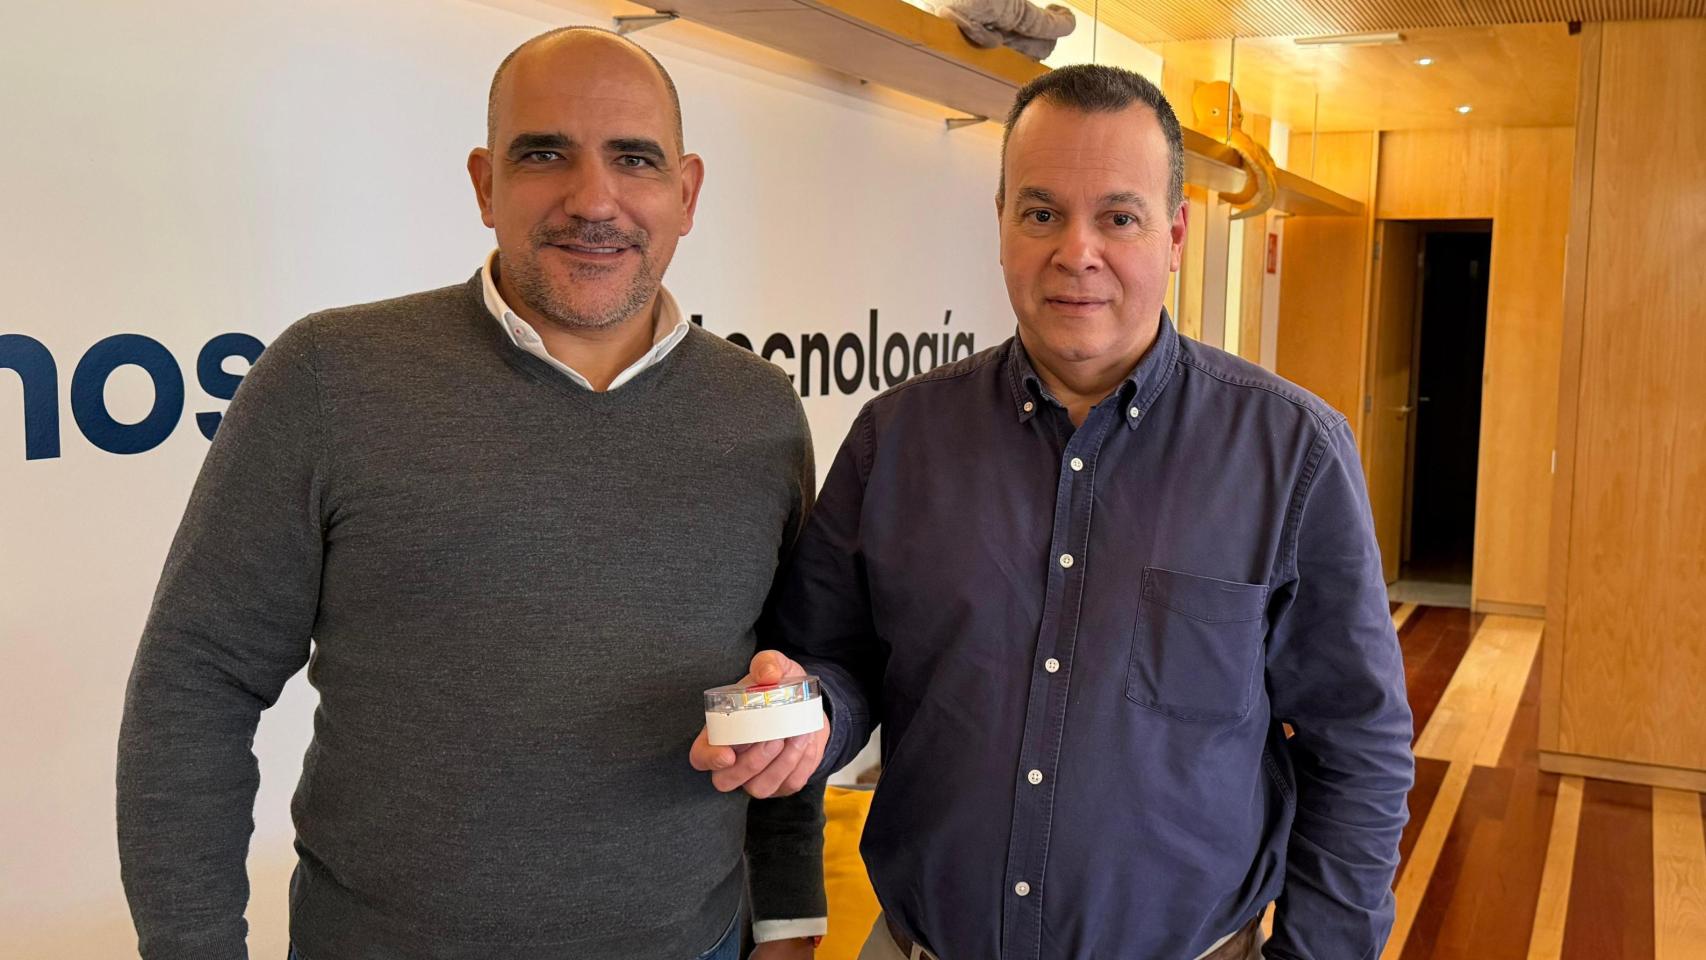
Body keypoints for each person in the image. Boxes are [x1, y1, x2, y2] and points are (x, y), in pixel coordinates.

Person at [118, 27, 825, 960]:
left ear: (685, 194)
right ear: (486, 185)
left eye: (634, 159)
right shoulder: (329, 377)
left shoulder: (760, 411)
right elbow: (197, 681)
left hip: (696, 943)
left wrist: (789, 914)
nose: (594, 200)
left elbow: (782, 682)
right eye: (545, 155)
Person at [693, 64, 1414, 960]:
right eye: (1041, 213)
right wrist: (808, 714)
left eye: (1119, 217)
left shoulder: (1293, 452)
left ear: (1175, 234)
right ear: (1000, 223)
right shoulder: (896, 437)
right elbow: (835, 660)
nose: (1077, 252)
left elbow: (1357, 746)